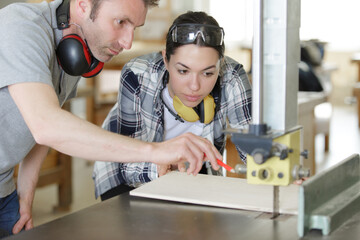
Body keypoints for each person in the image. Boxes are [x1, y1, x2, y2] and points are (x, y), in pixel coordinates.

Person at [0, 0, 222, 237]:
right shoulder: (20, 26)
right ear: (83, 5)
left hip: (6, 192)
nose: (127, 42)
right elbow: (47, 125)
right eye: (121, 22)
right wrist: (155, 151)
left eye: (134, 27)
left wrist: (25, 193)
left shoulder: (73, 49)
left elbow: (42, 131)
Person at [93, 11, 252, 201]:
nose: (194, 86)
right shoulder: (137, 75)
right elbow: (127, 166)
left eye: (208, 73)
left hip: (191, 168)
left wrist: (275, 168)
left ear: (221, 65)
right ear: (166, 60)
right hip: (125, 171)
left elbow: (252, 147)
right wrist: (164, 165)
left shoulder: (232, 76)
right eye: (183, 71)